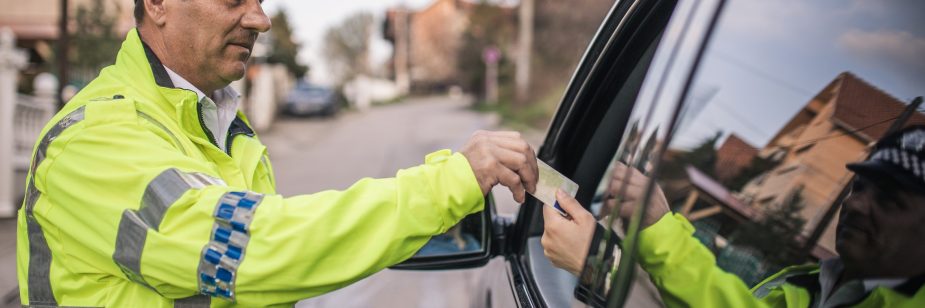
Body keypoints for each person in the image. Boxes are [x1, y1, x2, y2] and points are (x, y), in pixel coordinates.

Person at [16, 0, 540, 306]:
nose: (260, 19)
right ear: (156, 4)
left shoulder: (225, 128)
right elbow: (252, 249)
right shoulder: (94, 138)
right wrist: (450, 183)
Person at [542, 126, 925, 307]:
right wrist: (659, 225)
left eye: (890, 200)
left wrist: (600, 268)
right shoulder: (809, 286)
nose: (858, 205)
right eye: (859, 187)